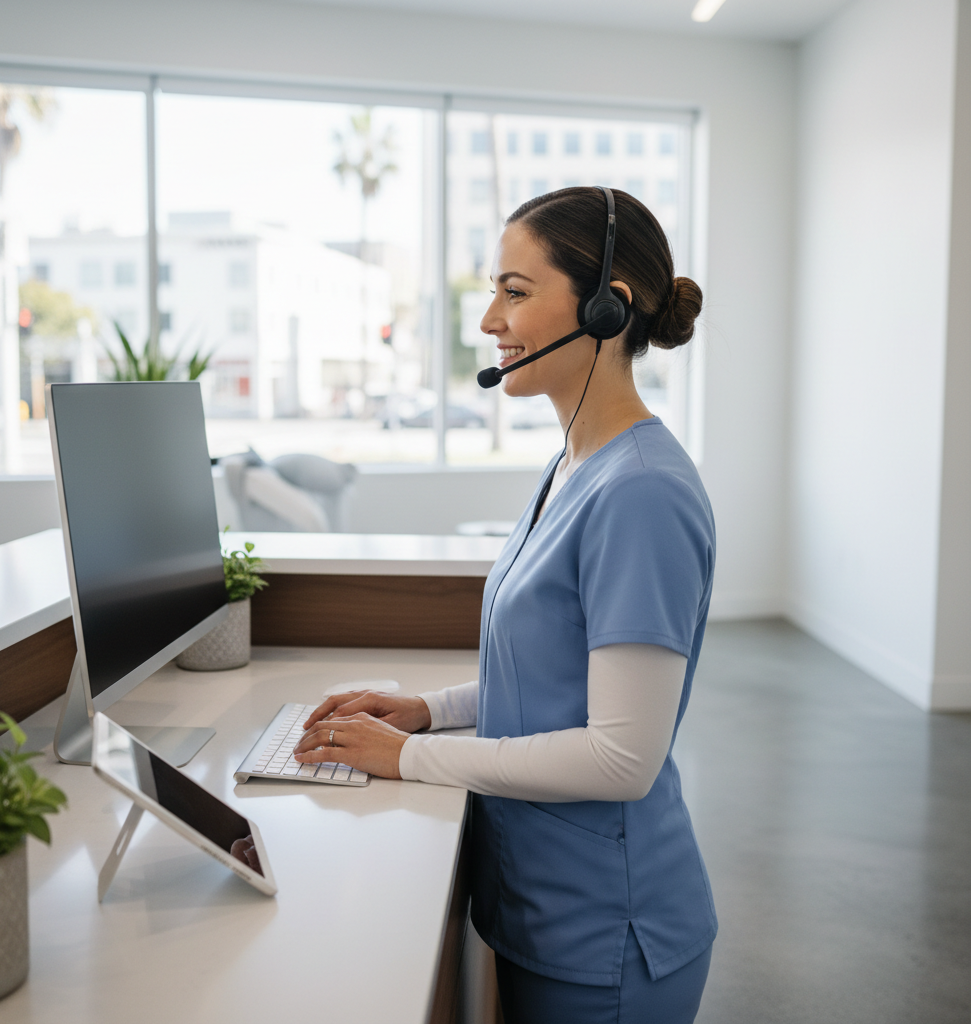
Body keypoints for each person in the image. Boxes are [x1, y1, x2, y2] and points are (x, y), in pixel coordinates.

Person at [294, 186, 716, 1024]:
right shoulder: (574, 464)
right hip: (543, 911)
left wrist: (408, 759)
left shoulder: (642, 493)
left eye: (515, 292)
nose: (490, 321)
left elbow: (622, 757)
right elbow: (548, 675)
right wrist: (427, 712)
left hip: (607, 936)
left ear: (605, 308)